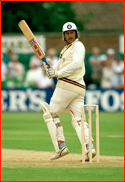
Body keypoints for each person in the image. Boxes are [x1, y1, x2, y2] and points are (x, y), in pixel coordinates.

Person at [40, 22, 96, 161]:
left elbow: (76, 64)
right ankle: (90, 148)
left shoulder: (78, 45)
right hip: (79, 88)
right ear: (63, 35)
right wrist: (49, 68)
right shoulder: (65, 50)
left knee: (50, 114)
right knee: (78, 119)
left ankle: (60, 147)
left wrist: (57, 74)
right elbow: (56, 69)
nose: (70, 35)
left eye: (72, 33)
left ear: (76, 34)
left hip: (67, 85)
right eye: (67, 33)